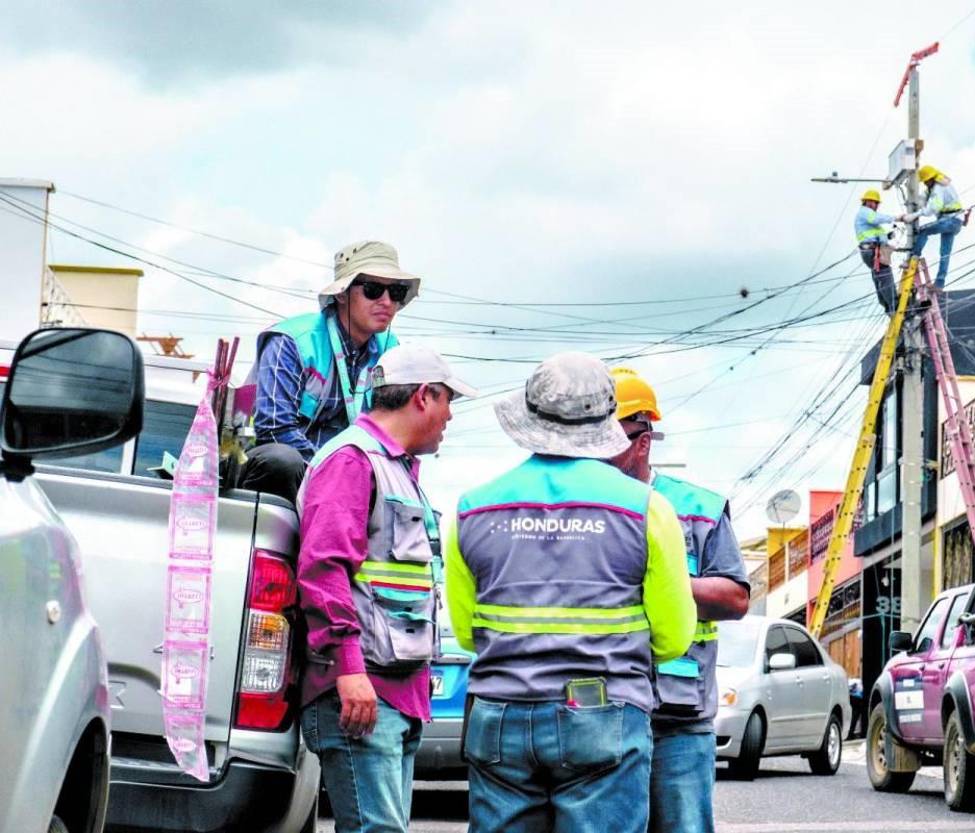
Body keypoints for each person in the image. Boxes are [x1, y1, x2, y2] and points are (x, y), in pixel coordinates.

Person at [445, 352, 696, 833]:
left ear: (529, 416)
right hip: (604, 716)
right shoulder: (647, 509)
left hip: (500, 718)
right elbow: (673, 637)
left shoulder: (469, 510)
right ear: (607, 420)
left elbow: (465, 632)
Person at [296, 342, 476, 833]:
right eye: (448, 402)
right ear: (423, 396)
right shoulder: (353, 462)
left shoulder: (395, 469)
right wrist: (348, 670)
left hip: (395, 694)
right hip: (360, 692)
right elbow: (323, 569)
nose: (450, 417)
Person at [608, 367, 749, 833]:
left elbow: (734, 597)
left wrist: (661, 582)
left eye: (610, 438)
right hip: (599, 712)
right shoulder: (585, 507)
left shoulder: (697, 509)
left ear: (642, 441)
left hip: (678, 718)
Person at [239, 240, 421, 501]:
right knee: (282, 460)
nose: (387, 301)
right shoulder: (292, 340)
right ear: (342, 294)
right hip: (286, 470)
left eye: (397, 291)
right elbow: (274, 429)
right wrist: (335, 472)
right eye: (373, 289)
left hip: (347, 476)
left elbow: (393, 433)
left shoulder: (391, 353)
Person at [905, 165, 964, 288]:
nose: (925, 183)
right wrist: (917, 200)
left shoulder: (939, 187)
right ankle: (939, 284)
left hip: (951, 220)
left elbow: (933, 208)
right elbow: (925, 196)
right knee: (945, 253)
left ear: (931, 178)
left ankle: (913, 257)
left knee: (924, 230)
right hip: (955, 221)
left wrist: (916, 214)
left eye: (926, 181)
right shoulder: (937, 184)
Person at [854, 188, 899, 314]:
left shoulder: (870, 220)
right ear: (867, 202)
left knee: (879, 277)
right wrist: (896, 218)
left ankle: (888, 306)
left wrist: (888, 237)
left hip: (872, 249)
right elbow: (876, 219)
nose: (875, 205)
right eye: (873, 202)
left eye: (876, 203)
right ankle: (893, 305)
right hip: (872, 250)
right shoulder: (865, 213)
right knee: (885, 275)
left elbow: (877, 233)